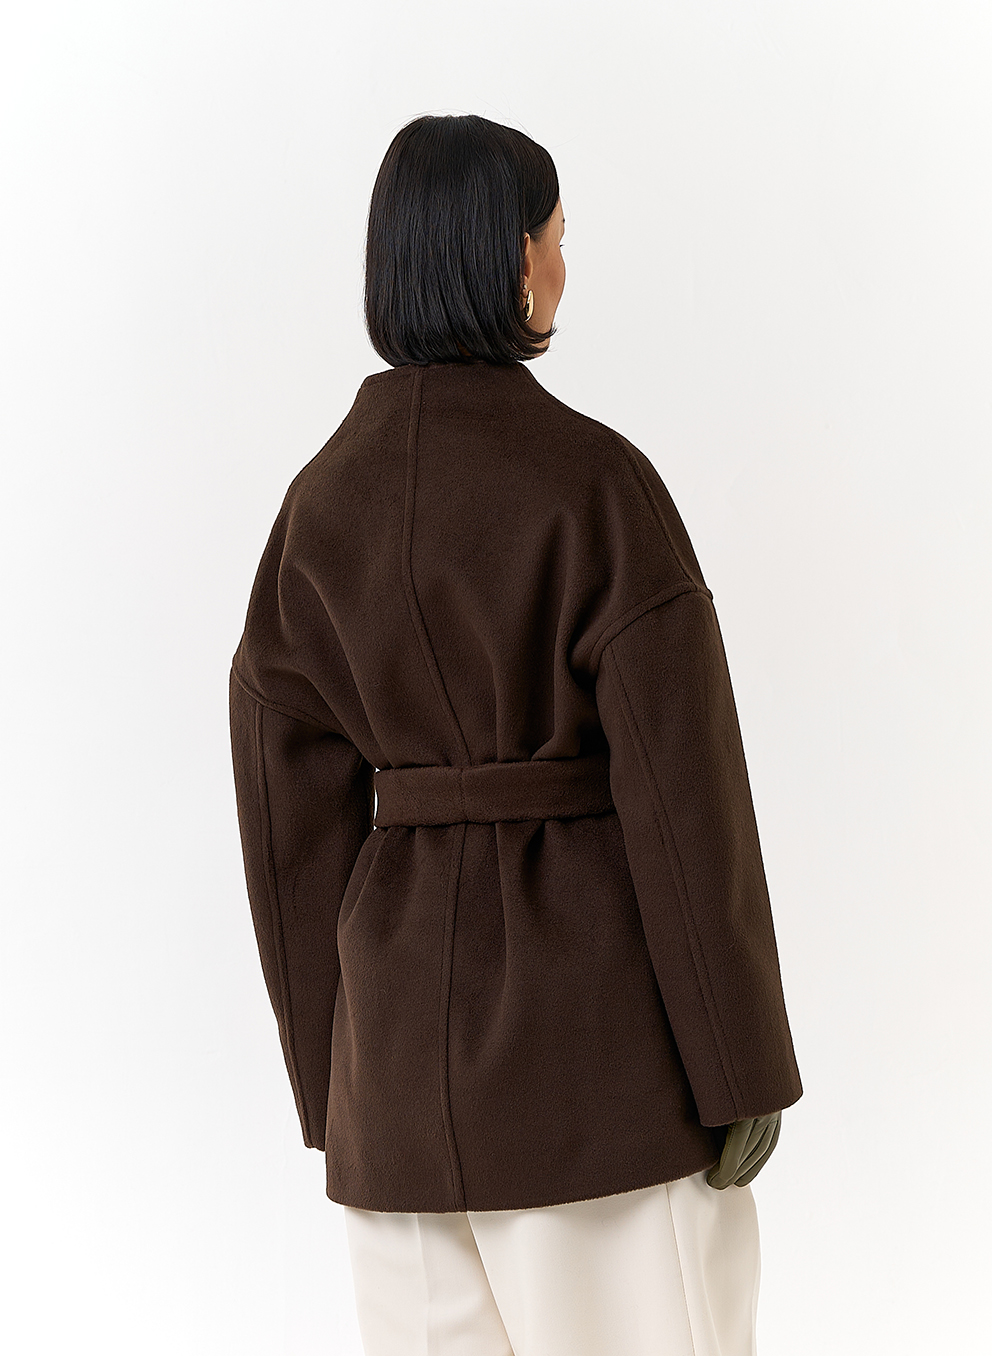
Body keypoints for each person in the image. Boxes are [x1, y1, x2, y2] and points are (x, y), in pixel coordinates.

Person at [228, 113, 803, 1356]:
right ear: (510, 259)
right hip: (594, 1076)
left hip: (394, 1101)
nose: (562, 267)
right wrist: (741, 1073)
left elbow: (284, 828)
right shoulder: (594, 485)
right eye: (556, 237)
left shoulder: (316, 511)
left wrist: (334, 1084)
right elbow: (685, 802)